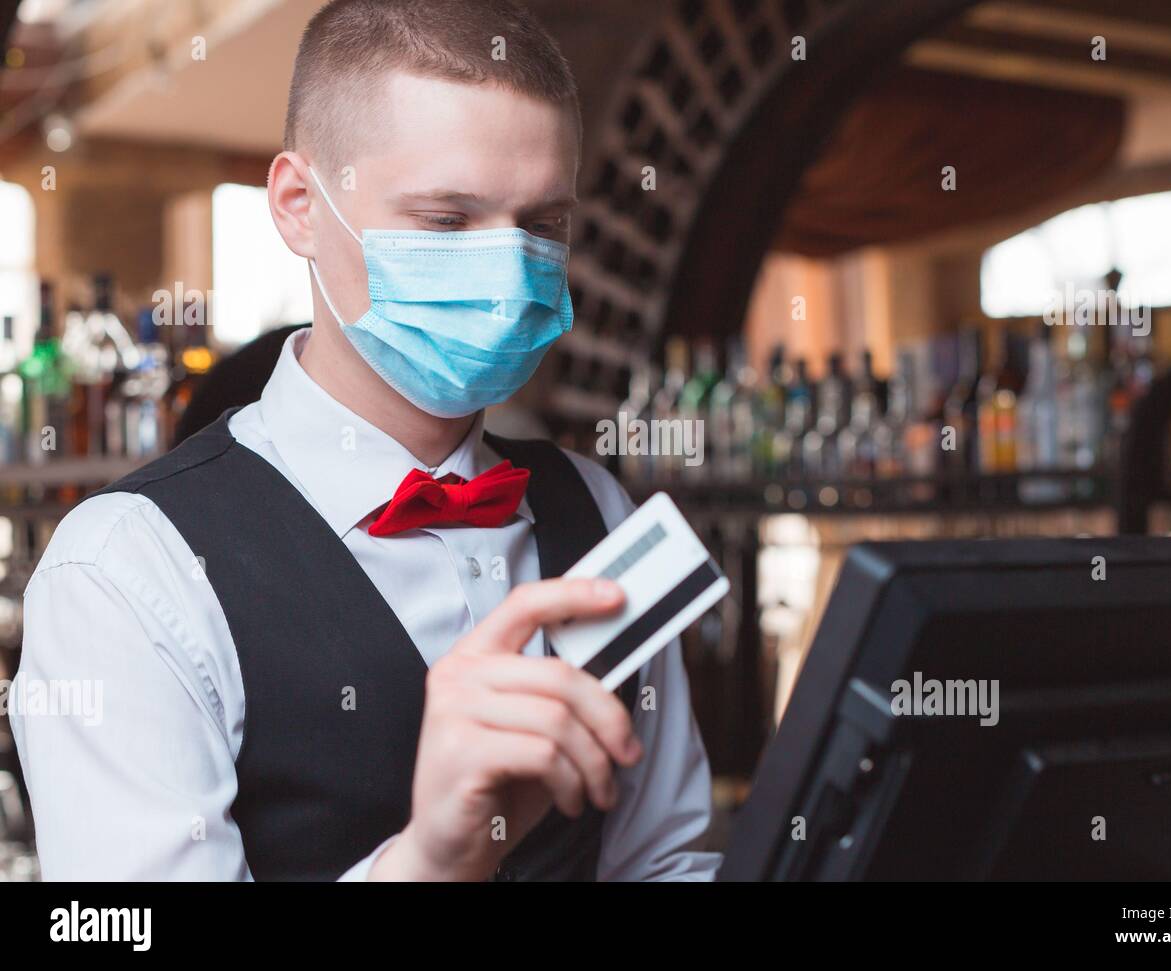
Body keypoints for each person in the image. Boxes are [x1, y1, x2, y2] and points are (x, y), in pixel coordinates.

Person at [11, 0, 719, 882]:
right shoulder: (122, 571)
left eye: (540, 225)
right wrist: (428, 861)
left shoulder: (602, 510)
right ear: (300, 206)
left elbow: (665, 862)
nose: (507, 272)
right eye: (446, 222)